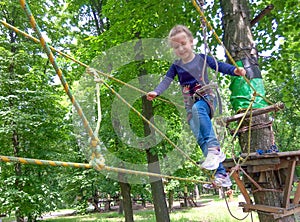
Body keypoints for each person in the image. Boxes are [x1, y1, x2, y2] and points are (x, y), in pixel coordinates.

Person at [146, 25, 246, 188]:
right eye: (176, 47)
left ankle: (215, 149)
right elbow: (166, 80)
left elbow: (220, 66)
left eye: (183, 43)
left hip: (206, 99)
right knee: (199, 136)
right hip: (190, 105)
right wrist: (156, 92)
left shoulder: (202, 58)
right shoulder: (176, 66)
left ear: (191, 42)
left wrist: (235, 70)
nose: (180, 48)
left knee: (198, 109)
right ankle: (220, 174)